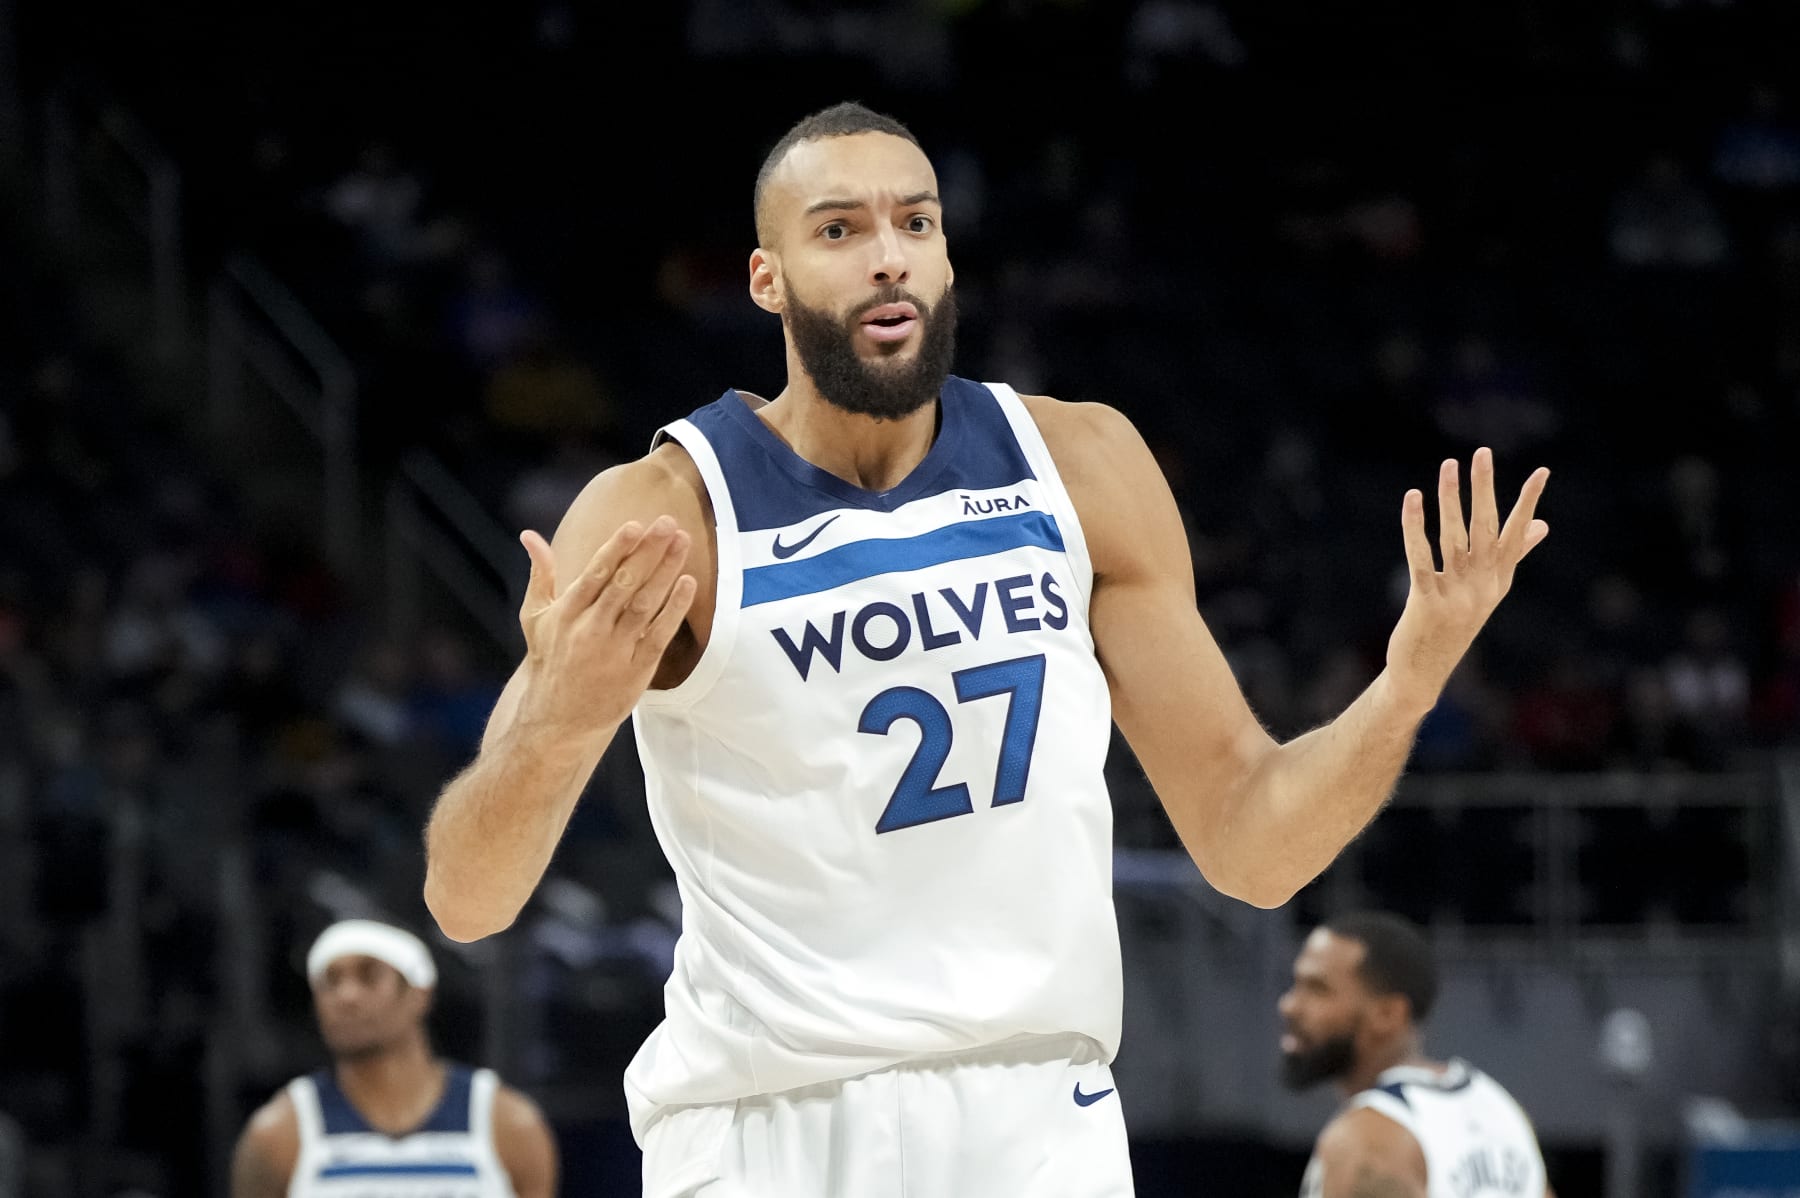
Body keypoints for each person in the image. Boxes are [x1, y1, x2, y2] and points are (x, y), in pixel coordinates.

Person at [421, 101, 1552, 1197]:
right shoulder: (669, 514)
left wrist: (1404, 688)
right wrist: (558, 725)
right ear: (764, 280)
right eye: (840, 229)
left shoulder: (1082, 465)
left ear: (949, 258)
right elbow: (467, 898)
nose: (887, 257)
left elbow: (1252, 845)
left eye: (915, 223)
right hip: (772, 1125)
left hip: (1037, 1119)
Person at [229, 919, 558, 1198]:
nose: (346, 996)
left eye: (369, 976)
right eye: (330, 981)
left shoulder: (508, 1125)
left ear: (420, 993)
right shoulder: (278, 1135)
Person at [1280, 912, 1555, 1198]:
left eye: (1317, 989)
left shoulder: (1364, 1143)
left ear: (1387, 1014)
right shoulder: (1500, 1107)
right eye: (1296, 985)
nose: (1288, 1005)